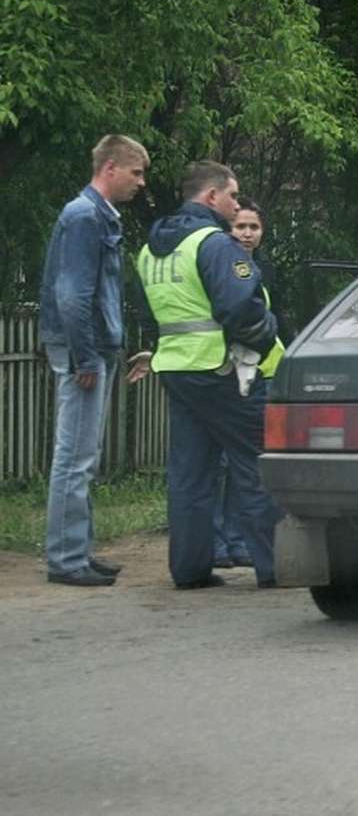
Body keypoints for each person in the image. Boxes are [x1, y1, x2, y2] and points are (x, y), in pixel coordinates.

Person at [134, 161, 281, 589]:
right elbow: (242, 307)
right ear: (211, 196)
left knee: (189, 474)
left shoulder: (152, 250)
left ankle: (190, 569)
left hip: (176, 370)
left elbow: (148, 313)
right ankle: (278, 567)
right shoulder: (214, 244)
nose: (237, 206)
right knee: (256, 464)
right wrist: (266, 338)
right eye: (233, 196)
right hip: (222, 370)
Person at [39, 135, 151, 587]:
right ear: (110, 168)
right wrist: (85, 357)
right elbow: (72, 295)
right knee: (75, 456)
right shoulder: (84, 216)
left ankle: (78, 550)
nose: (141, 182)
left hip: (91, 350)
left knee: (85, 454)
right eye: (136, 172)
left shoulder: (94, 215)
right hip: (84, 353)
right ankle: (66, 559)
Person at [211, 198, 284, 568]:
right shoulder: (223, 267)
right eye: (240, 226)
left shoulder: (262, 270)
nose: (247, 233)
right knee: (226, 464)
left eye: (253, 227)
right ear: (228, 230)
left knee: (249, 466)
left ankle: (239, 541)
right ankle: (218, 541)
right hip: (231, 375)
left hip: (264, 374)